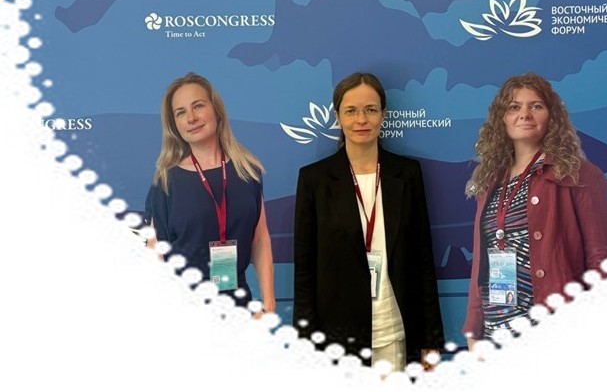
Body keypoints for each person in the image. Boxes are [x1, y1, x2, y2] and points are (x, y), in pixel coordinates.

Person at [293, 72, 445, 371]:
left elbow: (423, 261)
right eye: (351, 111)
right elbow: (305, 269)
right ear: (337, 117)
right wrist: (305, 341)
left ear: (383, 115)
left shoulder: (407, 173)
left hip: (394, 331)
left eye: (370, 110)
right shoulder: (315, 179)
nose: (361, 119)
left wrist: (431, 338)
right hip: (337, 338)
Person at [462, 72, 607, 347]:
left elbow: (600, 259)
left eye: (536, 106)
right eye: (514, 107)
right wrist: (474, 329)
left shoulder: (579, 175)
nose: (524, 114)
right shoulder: (490, 181)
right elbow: (481, 263)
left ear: (551, 116)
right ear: (502, 119)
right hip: (496, 331)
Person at [145, 72, 275, 316]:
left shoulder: (248, 171)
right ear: (174, 125)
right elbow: (155, 254)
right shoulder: (166, 181)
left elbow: (260, 239)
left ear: (216, 110)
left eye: (198, 106)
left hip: (239, 308)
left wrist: (268, 304)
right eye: (181, 112)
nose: (191, 118)